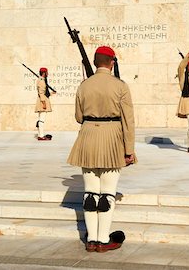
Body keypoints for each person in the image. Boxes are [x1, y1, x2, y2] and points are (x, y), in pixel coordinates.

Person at [67, 46, 136, 252]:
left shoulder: (84, 85)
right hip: (112, 137)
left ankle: (91, 240)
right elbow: (128, 120)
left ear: (96, 62)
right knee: (107, 193)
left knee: (90, 193)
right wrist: (129, 149)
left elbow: (79, 117)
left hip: (87, 137)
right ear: (112, 62)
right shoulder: (120, 86)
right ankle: (103, 239)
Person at [35, 67, 55, 140]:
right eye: (47, 72)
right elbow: (41, 93)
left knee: (41, 119)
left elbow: (44, 92)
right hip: (42, 102)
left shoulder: (42, 80)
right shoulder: (41, 81)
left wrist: (51, 93)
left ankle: (40, 134)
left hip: (42, 100)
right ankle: (41, 135)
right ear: (44, 73)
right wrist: (43, 103)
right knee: (42, 119)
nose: (48, 74)